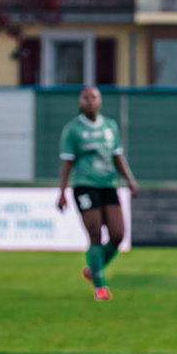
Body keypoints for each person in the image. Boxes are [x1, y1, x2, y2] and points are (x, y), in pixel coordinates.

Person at [55, 84, 139, 302]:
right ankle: (100, 286)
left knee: (118, 234)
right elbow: (67, 164)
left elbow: (117, 157)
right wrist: (62, 192)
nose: (90, 101)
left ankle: (94, 269)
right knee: (95, 234)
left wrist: (130, 181)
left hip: (108, 184)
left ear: (100, 101)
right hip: (84, 185)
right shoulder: (72, 129)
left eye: (94, 97)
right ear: (80, 101)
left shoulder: (110, 126)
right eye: (86, 98)